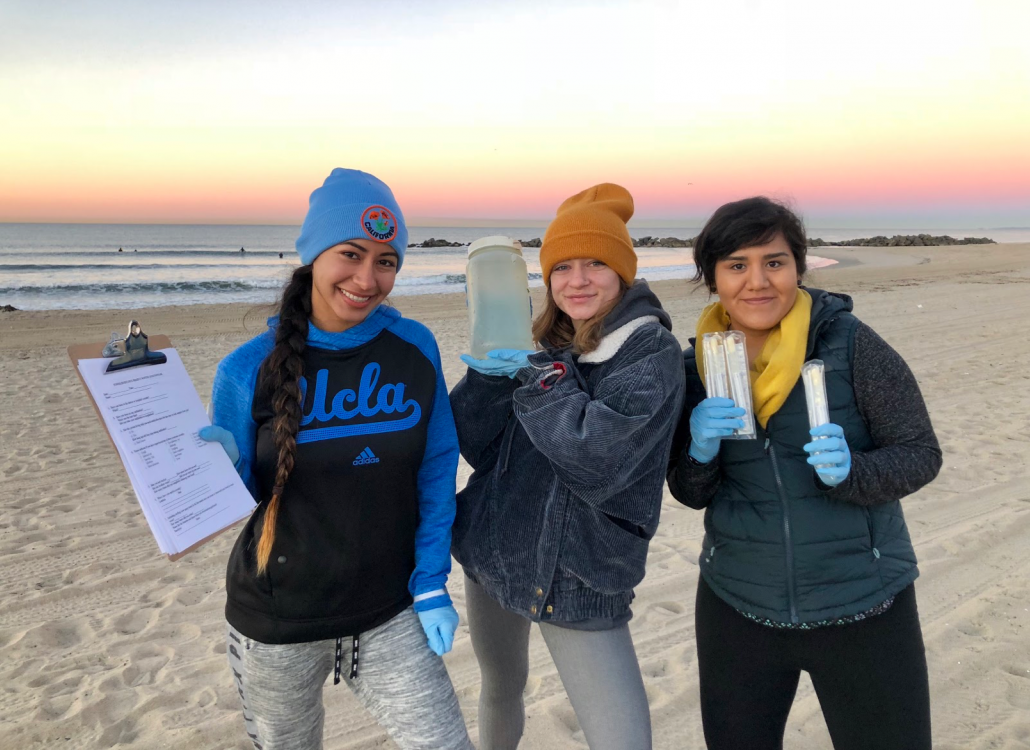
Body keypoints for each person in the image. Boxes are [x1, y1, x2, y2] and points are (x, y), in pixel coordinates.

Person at [199, 168, 472, 750]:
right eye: (350, 253)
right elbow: (241, 498)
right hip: (277, 623)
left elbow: (436, 467)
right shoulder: (247, 369)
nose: (367, 279)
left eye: (386, 261)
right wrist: (217, 474)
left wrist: (430, 583)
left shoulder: (414, 348)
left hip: (391, 610)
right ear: (313, 256)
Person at [666, 196, 942, 750]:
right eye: (736, 265)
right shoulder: (694, 366)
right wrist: (698, 450)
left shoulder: (850, 345)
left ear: (799, 266)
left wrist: (853, 472)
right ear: (712, 277)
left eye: (774, 261)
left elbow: (919, 452)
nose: (757, 281)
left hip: (863, 601)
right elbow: (690, 491)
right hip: (737, 605)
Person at [450, 183, 684, 750]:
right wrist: (486, 377)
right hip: (496, 549)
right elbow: (478, 449)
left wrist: (539, 382)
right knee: (501, 686)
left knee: (622, 739)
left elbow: (596, 459)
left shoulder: (648, 352)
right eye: (562, 267)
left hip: (579, 572)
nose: (576, 281)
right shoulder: (541, 344)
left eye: (595, 264)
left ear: (623, 272)